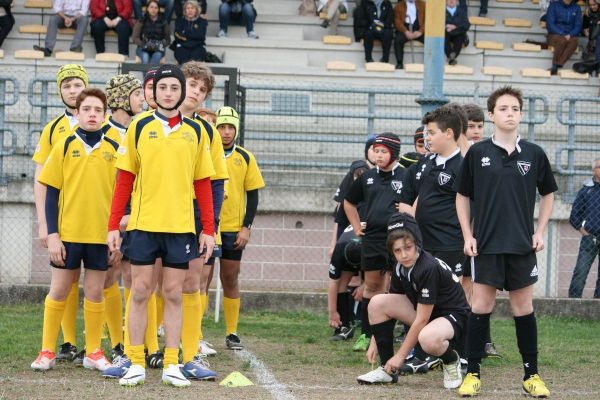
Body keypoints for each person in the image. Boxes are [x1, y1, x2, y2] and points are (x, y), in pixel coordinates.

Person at [106, 64, 215, 387]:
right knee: (139, 291)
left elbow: (204, 184)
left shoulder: (196, 132)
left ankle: (172, 364)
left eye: (174, 88)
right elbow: (124, 179)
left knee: (173, 293)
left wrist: (208, 228)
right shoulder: (138, 126)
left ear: (181, 92)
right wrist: (114, 224)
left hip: (180, 227)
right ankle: (136, 361)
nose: (168, 93)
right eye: (163, 87)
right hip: (143, 225)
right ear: (154, 92)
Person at [455, 86, 557, 398]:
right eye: (503, 109)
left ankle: (531, 376)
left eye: (514, 108)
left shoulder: (534, 154)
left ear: (521, 114)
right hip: (485, 245)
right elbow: (462, 196)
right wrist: (468, 236)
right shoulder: (478, 152)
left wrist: (539, 232)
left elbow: (549, 193)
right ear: (491, 115)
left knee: (523, 309)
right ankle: (472, 374)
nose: (509, 113)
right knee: (480, 306)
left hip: (521, 248)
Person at [32, 88, 120, 373]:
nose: (92, 114)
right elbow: (52, 192)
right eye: (87, 109)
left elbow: (125, 192)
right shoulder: (65, 143)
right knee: (59, 290)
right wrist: (53, 234)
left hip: (101, 235)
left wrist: (120, 232)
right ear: (77, 113)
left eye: (98, 110)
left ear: (105, 114)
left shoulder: (116, 143)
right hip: (68, 234)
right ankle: (46, 350)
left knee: (95, 293)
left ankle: (93, 351)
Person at [356, 213, 468, 389]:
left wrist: (401, 356)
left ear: (416, 244)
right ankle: (387, 371)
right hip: (427, 313)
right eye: (397, 250)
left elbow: (422, 320)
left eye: (408, 247)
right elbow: (390, 306)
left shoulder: (427, 267)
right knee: (377, 302)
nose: (404, 254)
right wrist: (375, 341)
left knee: (427, 338)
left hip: (453, 315)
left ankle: (452, 360)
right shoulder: (400, 266)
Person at [32, 64, 88, 364]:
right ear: (60, 92)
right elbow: (41, 179)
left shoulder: (100, 123)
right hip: (62, 220)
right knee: (65, 282)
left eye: (77, 83)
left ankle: (98, 344)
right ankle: (66, 343)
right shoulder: (53, 129)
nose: (72, 90)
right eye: (66, 86)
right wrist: (44, 223)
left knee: (97, 284)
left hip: (94, 220)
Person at [177, 61, 228, 375]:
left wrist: (211, 226)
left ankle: (191, 346)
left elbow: (217, 182)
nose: (194, 92)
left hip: (194, 213)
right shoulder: (148, 124)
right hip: (158, 212)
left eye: (201, 89)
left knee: (193, 282)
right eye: (191, 84)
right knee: (154, 283)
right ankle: (150, 348)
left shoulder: (207, 131)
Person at [98, 74, 145, 365]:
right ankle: (114, 340)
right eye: (136, 94)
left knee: (132, 278)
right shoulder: (104, 133)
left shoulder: (140, 130)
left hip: (136, 216)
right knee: (107, 277)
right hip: (110, 217)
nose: (142, 98)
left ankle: (131, 341)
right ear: (120, 98)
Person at [344, 132, 405, 352]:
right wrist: (357, 226)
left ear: (394, 154)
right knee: (372, 286)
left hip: (398, 240)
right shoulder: (367, 177)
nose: (378, 156)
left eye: (383, 152)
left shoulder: (406, 176)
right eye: (375, 151)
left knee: (395, 287)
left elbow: (418, 202)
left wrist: (408, 211)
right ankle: (366, 334)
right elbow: (348, 203)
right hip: (373, 239)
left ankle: (388, 335)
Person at [215, 105, 265, 350]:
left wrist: (246, 227)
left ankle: (231, 332)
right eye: (221, 127)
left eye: (230, 127)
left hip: (232, 229)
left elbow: (253, 196)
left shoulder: (245, 157)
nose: (225, 132)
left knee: (230, 277)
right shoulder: (206, 153)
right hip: (207, 228)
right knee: (198, 281)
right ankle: (195, 335)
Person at [568, 157, 600, 299]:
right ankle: (572, 304)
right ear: (594, 170)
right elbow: (574, 216)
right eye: (599, 166)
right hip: (590, 238)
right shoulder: (586, 190)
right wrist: (585, 233)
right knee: (581, 271)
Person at [328, 226, 363, 341]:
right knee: (341, 284)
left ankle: (370, 331)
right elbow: (333, 283)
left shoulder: (371, 248)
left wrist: (364, 285)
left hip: (370, 249)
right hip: (347, 247)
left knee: (373, 287)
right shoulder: (339, 251)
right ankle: (344, 327)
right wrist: (332, 312)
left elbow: (381, 276)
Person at [546, 0, 582, 75]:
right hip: (555, 34)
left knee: (575, 41)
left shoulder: (577, 7)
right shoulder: (553, 5)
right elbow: (550, 25)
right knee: (562, 40)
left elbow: (578, 25)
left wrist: (571, 34)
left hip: (570, 35)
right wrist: (562, 33)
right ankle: (555, 65)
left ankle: (557, 65)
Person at [132, 0, 171, 64]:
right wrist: (144, 44)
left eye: (156, 8)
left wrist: (161, 44)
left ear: (158, 9)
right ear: (147, 8)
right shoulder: (141, 20)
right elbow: (134, 38)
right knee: (145, 56)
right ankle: (147, 74)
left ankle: (151, 74)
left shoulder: (163, 21)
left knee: (157, 55)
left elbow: (168, 40)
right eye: (151, 7)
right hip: (143, 47)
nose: (154, 9)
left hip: (158, 49)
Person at [393, 0, 425, 70]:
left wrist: (420, 31)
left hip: (418, 29)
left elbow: (427, 20)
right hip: (405, 29)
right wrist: (405, 31)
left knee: (429, 40)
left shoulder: (423, 5)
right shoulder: (398, 6)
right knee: (398, 39)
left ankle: (428, 63)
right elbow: (397, 22)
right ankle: (399, 63)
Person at [445, 0, 470, 66]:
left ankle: (451, 57)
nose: (451, 0)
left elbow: (466, 25)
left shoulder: (462, 11)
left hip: (458, 33)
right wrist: (446, 26)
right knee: (443, 35)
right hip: (446, 33)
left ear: (456, 1)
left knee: (460, 36)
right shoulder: (441, 11)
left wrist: (454, 27)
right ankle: (452, 57)